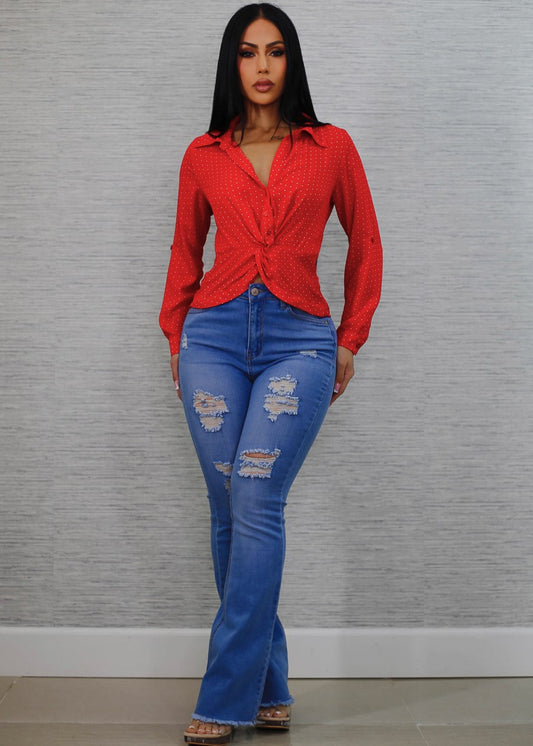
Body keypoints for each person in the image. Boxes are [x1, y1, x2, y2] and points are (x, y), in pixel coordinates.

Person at [159, 3, 382, 743]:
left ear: (292, 62)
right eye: (249, 52)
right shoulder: (204, 155)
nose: (262, 66)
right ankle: (269, 685)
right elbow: (185, 252)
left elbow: (365, 242)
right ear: (232, 63)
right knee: (229, 509)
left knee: (255, 496)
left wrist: (349, 336)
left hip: (299, 342)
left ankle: (222, 696)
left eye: (276, 51)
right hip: (212, 340)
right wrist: (175, 338)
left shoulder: (330, 147)